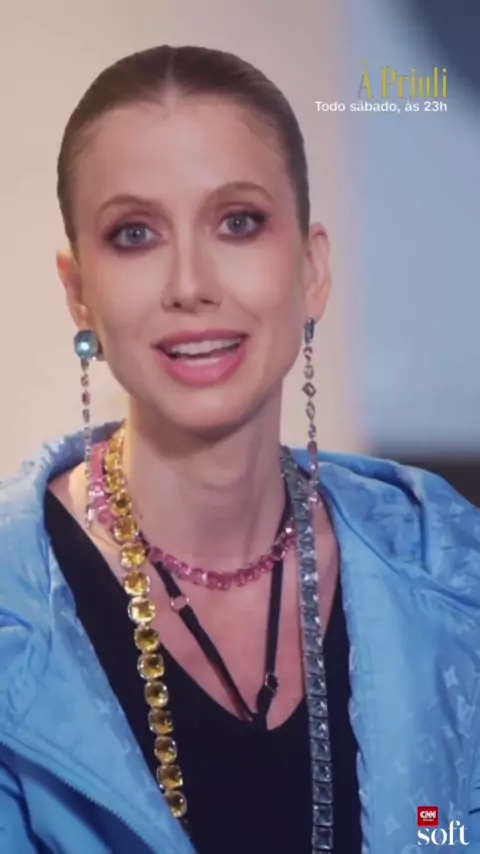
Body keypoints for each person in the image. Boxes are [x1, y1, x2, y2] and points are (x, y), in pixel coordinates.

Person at [0, 44, 479, 854]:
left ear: (312, 268)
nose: (191, 283)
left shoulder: (451, 571)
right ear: (79, 291)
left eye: (239, 222)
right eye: (135, 233)